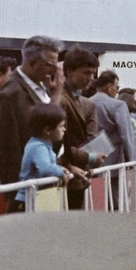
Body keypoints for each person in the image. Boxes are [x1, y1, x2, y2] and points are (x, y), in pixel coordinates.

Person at [0, 35, 66, 187]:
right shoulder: (11, 95)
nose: (56, 70)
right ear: (32, 63)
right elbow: (3, 151)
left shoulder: (42, 87)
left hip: (45, 180)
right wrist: (14, 193)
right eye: (51, 65)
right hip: (28, 188)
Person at [59, 48, 102, 208]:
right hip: (68, 177)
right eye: (86, 72)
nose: (90, 78)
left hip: (75, 175)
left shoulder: (74, 98)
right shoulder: (63, 99)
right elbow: (59, 144)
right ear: (69, 72)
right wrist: (88, 158)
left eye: (92, 73)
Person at [19, 103, 89, 194]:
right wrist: (60, 171)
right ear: (48, 130)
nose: (64, 129)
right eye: (61, 126)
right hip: (28, 199)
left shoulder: (42, 144)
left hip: (36, 196)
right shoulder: (39, 147)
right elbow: (45, 168)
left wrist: (61, 168)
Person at [90, 70, 136, 166]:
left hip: (91, 162)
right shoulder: (118, 105)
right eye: (117, 87)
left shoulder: (85, 103)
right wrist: (134, 162)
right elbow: (127, 136)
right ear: (109, 87)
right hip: (114, 163)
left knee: (97, 181)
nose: (117, 91)